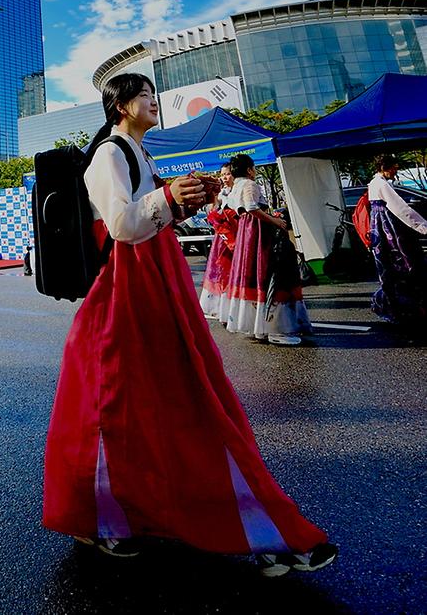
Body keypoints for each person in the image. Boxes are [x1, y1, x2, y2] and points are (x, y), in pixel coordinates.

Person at [43, 73, 337, 576]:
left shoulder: (140, 153)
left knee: (164, 396)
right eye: (143, 95)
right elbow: (122, 226)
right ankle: (125, 517)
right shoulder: (110, 155)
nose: (153, 102)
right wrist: (170, 200)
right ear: (119, 106)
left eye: (153, 94)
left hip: (153, 281)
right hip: (128, 290)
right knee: (157, 398)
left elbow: (144, 218)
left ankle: (234, 524)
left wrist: (178, 204)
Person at [223, 155, 311, 347]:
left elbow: (235, 208)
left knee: (256, 277)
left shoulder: (235, 187)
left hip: (248, 234)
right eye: (253, 168)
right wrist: (276, 221)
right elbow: (252, 207)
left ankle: (259, 327)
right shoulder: (249, 184)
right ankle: (276, 329)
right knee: (274, 276)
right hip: (261, 233)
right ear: (249, 170)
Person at [367, 154, 427, 328]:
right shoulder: (382, 185)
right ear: (385, 167)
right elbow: (401, 209)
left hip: (379, 230)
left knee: (387, 268)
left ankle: (391, 306)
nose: (396, 170)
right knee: (407, 264)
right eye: (394, 167)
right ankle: (406, 308)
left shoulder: (374, 183)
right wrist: (423, 227)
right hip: (389, 231)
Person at [198, 164, 237, 321]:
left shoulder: (239, 191)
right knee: (222, 274)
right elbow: (213, 213)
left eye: (227, 174)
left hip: (237, 238)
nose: (225, 177)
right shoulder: (222, 194)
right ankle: (223, 309)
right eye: (223, 174)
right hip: (223, 241)